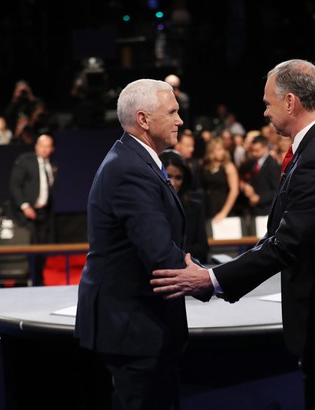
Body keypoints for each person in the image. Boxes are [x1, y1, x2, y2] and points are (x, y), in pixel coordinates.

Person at [151, 59, 315, 410]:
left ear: (290, 102)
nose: (265, 112)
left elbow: (286, 243)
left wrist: (211, 280)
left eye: (268, 103)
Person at [74, 79, 206, 410]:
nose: (180, 120)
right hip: (134, 330)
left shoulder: (137, 161)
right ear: (144, 119)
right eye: (173, 112)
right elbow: (160, 252)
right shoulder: (130, 169)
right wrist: (210, 281)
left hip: (140, 325)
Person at [7, 134, 56, 286]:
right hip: (26, 214)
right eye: (42, 145)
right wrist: (24, 205)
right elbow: (14, 185)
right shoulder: (26, 160)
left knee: (42, 249)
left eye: (48, 146)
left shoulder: (50, 165)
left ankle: (38, 280)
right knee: (30, 248)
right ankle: (26, 280)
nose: (45, 149)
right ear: (36, 146)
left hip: (43, 213)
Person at [160, 150, 210, 263]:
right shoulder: (149, 206)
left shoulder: (195, 206)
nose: (173, 183)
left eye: (178, 177)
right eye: (168, 176)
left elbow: (203, 249)